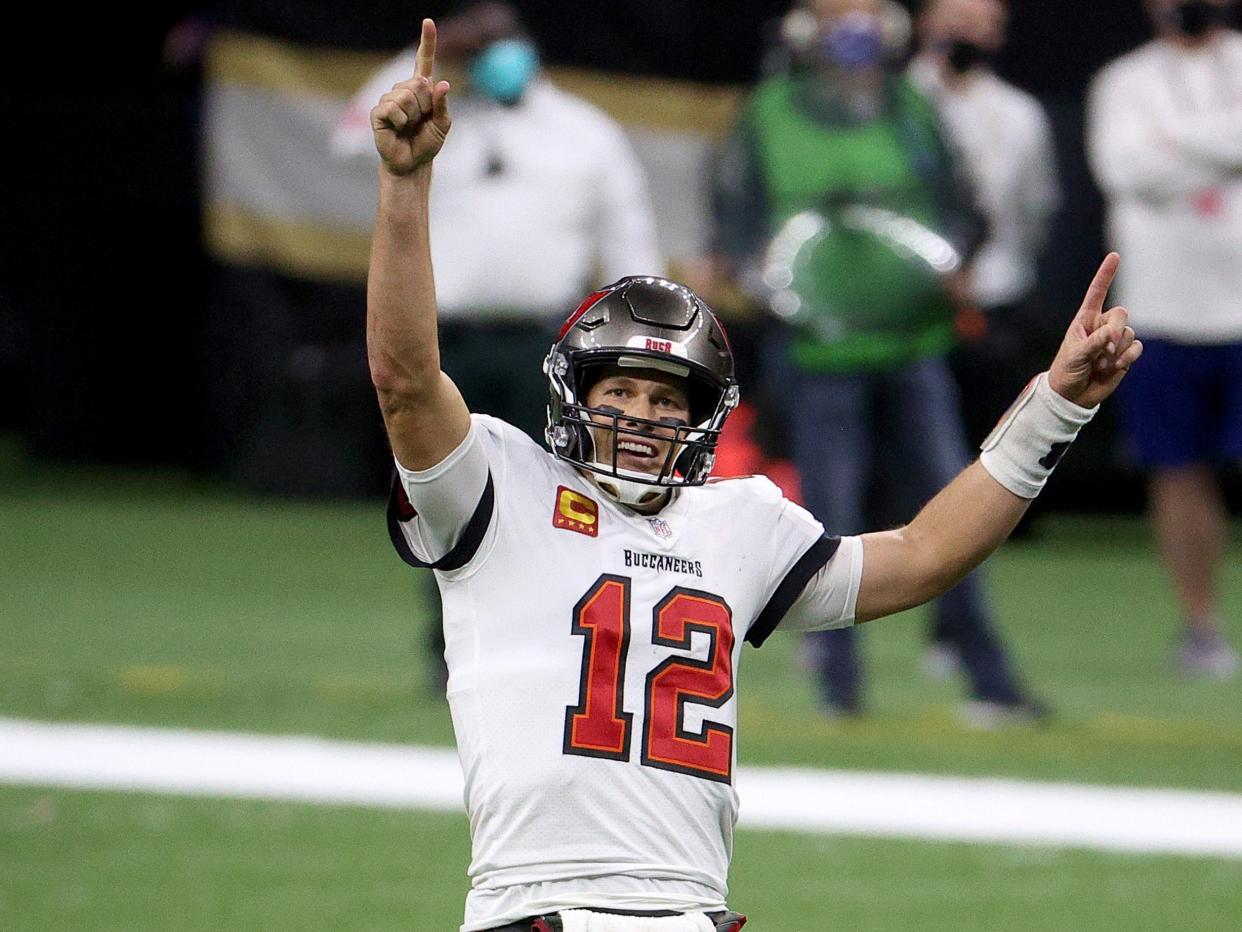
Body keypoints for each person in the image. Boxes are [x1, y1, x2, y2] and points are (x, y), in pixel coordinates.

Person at [368, 19, 1140, 931]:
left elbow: (925, 555)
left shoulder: (738, 521)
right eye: (624, 390)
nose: (645, 419)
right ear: (575, 392)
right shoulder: (499, 487)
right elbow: (407, 379)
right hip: (541, 906)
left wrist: (1057, 405)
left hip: (698, 912)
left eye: (670, 402)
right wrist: (406, 185)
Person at [712, 0, 1043, 723]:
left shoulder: (909, 107)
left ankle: (987, 676)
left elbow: (964, 207)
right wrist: (755, 275)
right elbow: (734, 217)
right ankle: (838, 689)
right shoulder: (767, 112)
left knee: (959, 509)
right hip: (817, 350)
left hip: (912, 343)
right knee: (826, 521)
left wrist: (959, 261)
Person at [337, 1, 663, 689]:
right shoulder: (436, 117)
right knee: (444, 502)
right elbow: (351, 137)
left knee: (560, 504)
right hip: (442, 346)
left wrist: (634, 347)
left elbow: (629, 243)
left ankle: (556, 647)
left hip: (546, 346)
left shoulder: (582, 131)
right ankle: (450, 652)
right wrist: (429, 58)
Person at [1087, 0, 1241, 679]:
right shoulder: (1124, 81)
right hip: (1161, 308)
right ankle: (1201, 626)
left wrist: (1172, 143)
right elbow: (1124, 170)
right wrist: (1225, 149)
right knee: (1177, 471)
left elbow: (1153, 161)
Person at [909, 0, 1061, 677]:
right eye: (956, 18)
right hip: (905, 310)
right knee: (901, 469)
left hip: (991, 303)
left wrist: (985, 277)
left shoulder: (1019, 114)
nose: (969, 35)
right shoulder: (896, 100)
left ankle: (956, 625)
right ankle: (837, 627)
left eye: (983, 22)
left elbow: (1034, 208)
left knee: (983, 467)